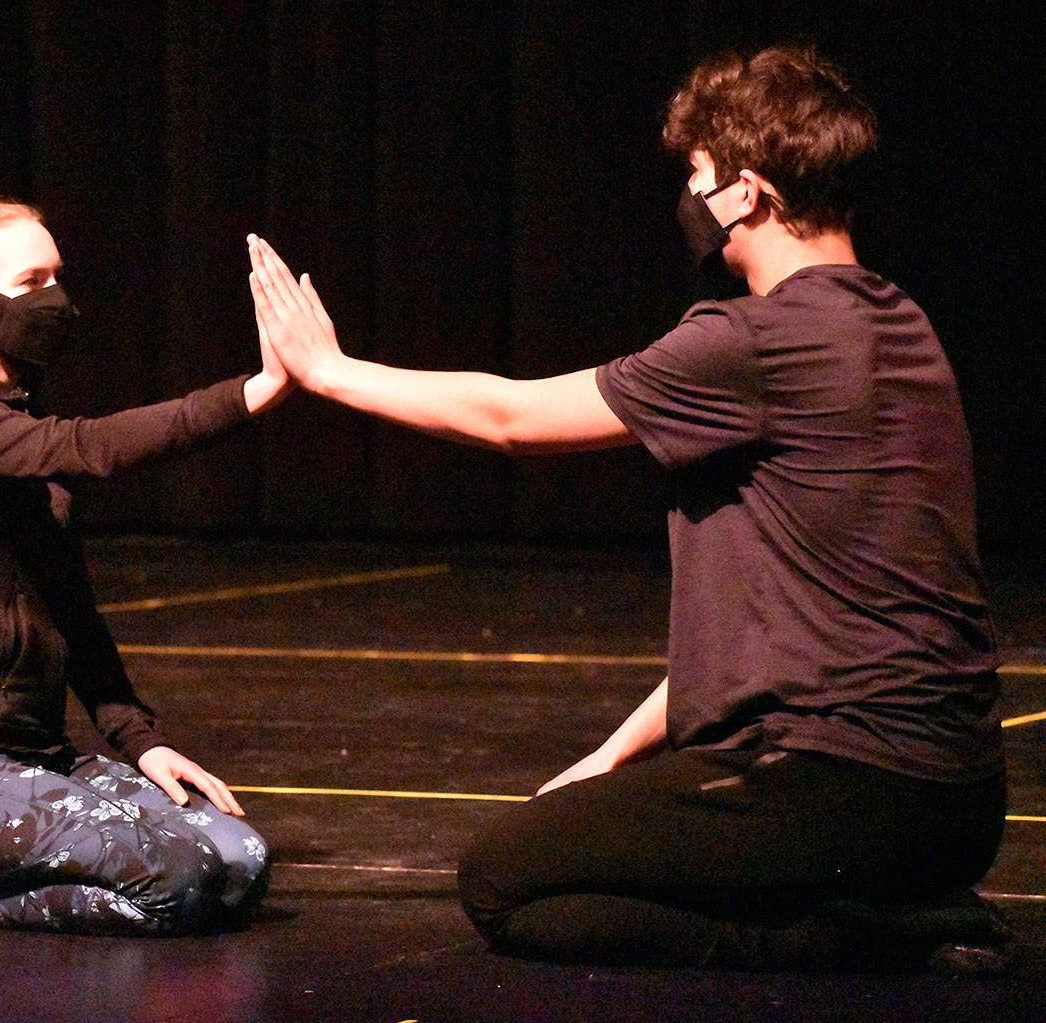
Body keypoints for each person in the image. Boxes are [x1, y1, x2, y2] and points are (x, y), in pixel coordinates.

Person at [247, 46, 1010, 971]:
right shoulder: (903, 324)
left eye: (697, 175)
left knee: (507, 880)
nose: (689, 197)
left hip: (839, 783)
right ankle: (891, 902)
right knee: (582, 828)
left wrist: (332, 373)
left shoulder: (755, 341)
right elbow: (761, 633)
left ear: (746, 194)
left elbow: (512, 419)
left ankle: (853, 937)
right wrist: (612, 758)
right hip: (959, 802)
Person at [0, 194, 286, 934]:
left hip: (34, 757)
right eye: (34, 280)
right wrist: (258, 389)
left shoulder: (5, 428)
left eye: (56, 276)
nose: (57, 299)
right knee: (177, 877)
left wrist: (144, 739)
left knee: (239, 860)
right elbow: (94, 447)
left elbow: (70, 609)